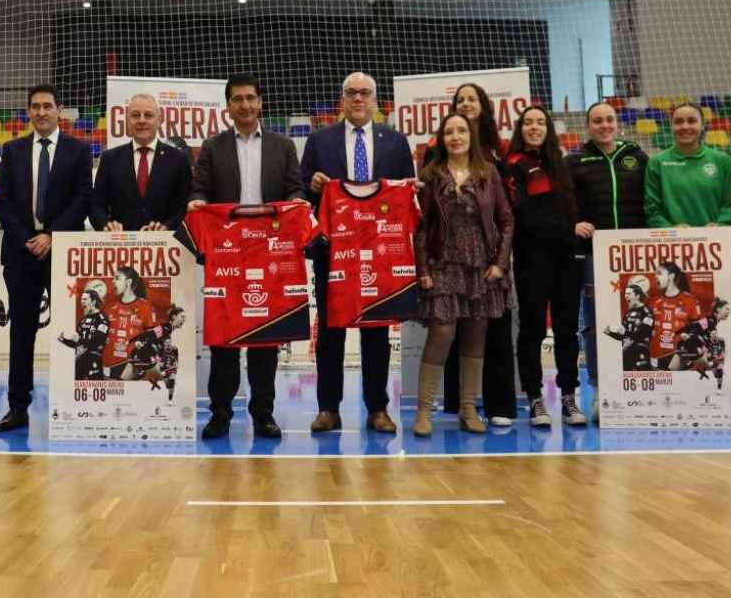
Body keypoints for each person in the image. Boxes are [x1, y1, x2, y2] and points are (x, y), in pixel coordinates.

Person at [188, 73, 305, 439]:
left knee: (265, 341)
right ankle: (220, 414)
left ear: (261, 102)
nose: (245, 105)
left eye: (250, 98)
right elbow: (201, 189)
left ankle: (263, 415)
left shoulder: (283, 146)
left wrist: (298, 203)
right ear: (228, 106)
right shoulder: (212, 147)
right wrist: (199, 204)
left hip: (269, 254)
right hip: (227, 256)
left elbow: (294, 189)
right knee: (223, 341)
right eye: (237, 99)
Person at [301, 72, 414, 434]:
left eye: (365, 93)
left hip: (380, 254)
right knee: (331, 331)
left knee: (376, 333)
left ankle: (378, 408)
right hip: (333, 252)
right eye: (351, 93)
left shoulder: (396, 143)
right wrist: (314, 184)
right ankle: (328, 408)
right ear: (342, 99)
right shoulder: (319, 141)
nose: (358, 99)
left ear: (375, 100)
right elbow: (302, 190)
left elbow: (406, 195)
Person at [0, 84, 92, 432]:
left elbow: (83, 199)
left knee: (75, 331)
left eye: (47, 106)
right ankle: (18, 406)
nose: (41, 112)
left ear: (59, 110)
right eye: (35, 107)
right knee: (21, 332)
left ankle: (73, 404)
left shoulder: (79, 151)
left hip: (65, 252)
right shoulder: (13, 149)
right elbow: (3, 201)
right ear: (28, 111)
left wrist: (52, 236)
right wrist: (28, 239)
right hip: (21, 254)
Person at [412, 113, 514, 437]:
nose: (456, 136)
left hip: (481, 265)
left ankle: (468, 409)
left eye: (461, 130)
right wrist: (423, 269)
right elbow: (421, 226)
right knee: (441, 333)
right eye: (449, 132)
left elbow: (506, 219)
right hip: (443, 264)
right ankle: (424, 411)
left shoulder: (489, 173)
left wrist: (500, 262)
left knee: (475, 336)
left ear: (471, 135)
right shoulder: (430, 175)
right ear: (442, 139)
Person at [567, 101, 649, 420]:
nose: (604, 125)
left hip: (634, 254)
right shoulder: (574, 161)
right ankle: (602, 392)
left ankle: (638, 389)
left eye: (609, 120)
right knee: (596, 325)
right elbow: (564, 202)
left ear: (617, 124)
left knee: (637, 322)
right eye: (597, 121)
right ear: (588, 126)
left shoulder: (637, 157)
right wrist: (574, 223)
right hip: (594, 255)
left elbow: (652, 198)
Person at [505, 106, 586, 427]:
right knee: (533, 329)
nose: (534, 127)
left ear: (548, 128)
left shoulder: (561, 163)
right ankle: (535, 397)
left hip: (568, 257)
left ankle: (568, 396)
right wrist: (569, 229)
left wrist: (575, 230)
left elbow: (572, 209)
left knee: (567, 328)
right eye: (528, 123)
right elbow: (522, 215)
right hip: (532, 257)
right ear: (520, 129)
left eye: (540, 122)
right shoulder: (513, 164)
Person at [90, 93, 192, 232]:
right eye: (135, 115)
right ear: (127, 120)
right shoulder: (109, 158)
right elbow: (96, 207)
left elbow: (184, 207)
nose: (141, 120)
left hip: (166, 247)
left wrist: (166, 227)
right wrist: (106, 225)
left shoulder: (178, 159)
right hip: (120, 247)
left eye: (148, 115)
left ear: (159, 119)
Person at [645, 102, 731, 228]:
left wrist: (720, 226)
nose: (685, 126)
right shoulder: (656, 163)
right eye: (678, 122)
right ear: (671, 126)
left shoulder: (723, 161)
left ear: (702, 126)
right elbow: (651, 209)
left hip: (716, 243)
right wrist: (670, 230)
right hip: (671, 243)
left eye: (692, 121)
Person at [103, 266, 156, 380]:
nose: (113, 281)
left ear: (128, 282)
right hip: (107, 365)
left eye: (117, 278)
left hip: (130, 366)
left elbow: (152, 337)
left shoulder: (145, 307)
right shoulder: (110, 306)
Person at [647, 262, 701, 371]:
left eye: (659, 273)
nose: (655, 276)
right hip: (654, 360)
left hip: (678, 360)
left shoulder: (690, 301)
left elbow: (700, 329)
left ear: (671, 277)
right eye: (655, 274)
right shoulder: (653, 302)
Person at [58, 287, 109, 381]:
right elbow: (77, 344)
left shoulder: (101, 319)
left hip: (93, 362)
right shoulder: (83, 320)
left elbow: (97, 342)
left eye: (85, 299)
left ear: (93, 301)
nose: (82, 301)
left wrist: (79, 340)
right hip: (79, 362)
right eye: (81, 299)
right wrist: (64, 340)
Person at [602, 283, 654, 372]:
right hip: (627, 353)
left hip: (641, 353)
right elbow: (624, 337)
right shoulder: (627, 314)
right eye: (625, 294)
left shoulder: (647, 312)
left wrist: (625, 333)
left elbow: (644, 334)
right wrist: (610, 333)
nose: (626, 296)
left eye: (629, 294)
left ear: (637, 296)